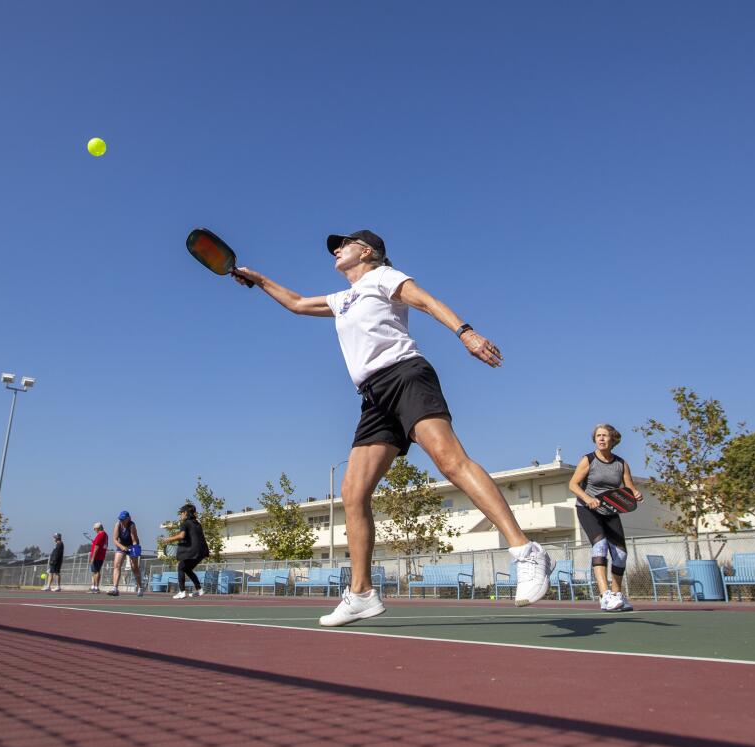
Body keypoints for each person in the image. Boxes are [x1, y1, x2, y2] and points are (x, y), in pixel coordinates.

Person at [231, 229, 554, 626]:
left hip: (405, 376)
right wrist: (259, 280)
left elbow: (429, 302)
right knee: (352, 492)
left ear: (365, 251)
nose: (335, 249)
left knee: (450, 462)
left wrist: (465, 333)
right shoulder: (344, 298)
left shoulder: (383, 277)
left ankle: (526, 552)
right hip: (373, 396)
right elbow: (297, 303)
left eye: (343, 244)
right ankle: (362, 593)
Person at [568, 424, 643, 612]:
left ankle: (617, 595)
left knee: (621, 555)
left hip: (610, 511)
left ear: (613, 439)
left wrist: (636, 494)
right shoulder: (588, 460)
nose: (601, 439)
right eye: (598, 436)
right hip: (587, 509)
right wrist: (587, 499)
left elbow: (629, 488)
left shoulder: (621, 464)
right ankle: (604, 596)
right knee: (600, 545)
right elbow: (573, 484)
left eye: (605, 435)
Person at [161, 503, 209, 599]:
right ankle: (200, 590)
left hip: (194, 551)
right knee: (187, 569)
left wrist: (168, 539)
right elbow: (193, 538)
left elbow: (182, 536)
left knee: (181, 567)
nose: (180, 515)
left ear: (186, 513)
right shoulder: (197, 524)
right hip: (202, 551)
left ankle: (182, 591)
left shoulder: (185, 523)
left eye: (181, 513)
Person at [108, 511, 144, 597]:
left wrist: (134, 551)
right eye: (121, 519)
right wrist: (122, 547)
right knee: (117, 565)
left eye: (123, 519)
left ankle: (140, 587)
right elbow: (115, 540)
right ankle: (115, 588)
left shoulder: (132, 525)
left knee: (134, 567)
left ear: (128, 518)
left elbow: (134, 540)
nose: (122, 521)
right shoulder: (118, 525)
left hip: (132, 545)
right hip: (121, 545)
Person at [88, 522, 108, 593]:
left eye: (95, 529)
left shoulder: (100, 534)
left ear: (98, 528)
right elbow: (104, 545)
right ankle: (93, 586)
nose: (94, 531)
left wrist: (93, 557)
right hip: (101, 556)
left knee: (96, 571)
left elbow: (97, 547)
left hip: (97, 556)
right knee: (94, 571)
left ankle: (96, 587)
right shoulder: (105, 535)